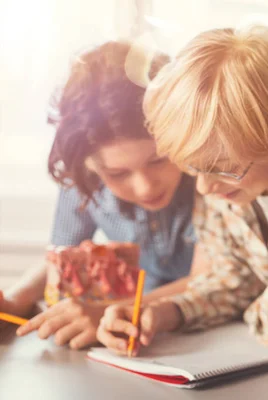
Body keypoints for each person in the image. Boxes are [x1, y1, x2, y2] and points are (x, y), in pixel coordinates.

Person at [95, 25, 268, 355]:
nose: (204, 187)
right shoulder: (227, 178)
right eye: (192, 168)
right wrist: (167, 312)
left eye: (223, 168)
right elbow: (230, 280)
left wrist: (249, 305)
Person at [0, 41, 199, 350]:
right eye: (118, 174)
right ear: (88, 167)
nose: (145, 186)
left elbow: (218, 279)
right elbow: (64, 258)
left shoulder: (212, 173)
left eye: (159, 159)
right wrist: (16, 299)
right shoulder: (83, 181)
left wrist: (109, 310)